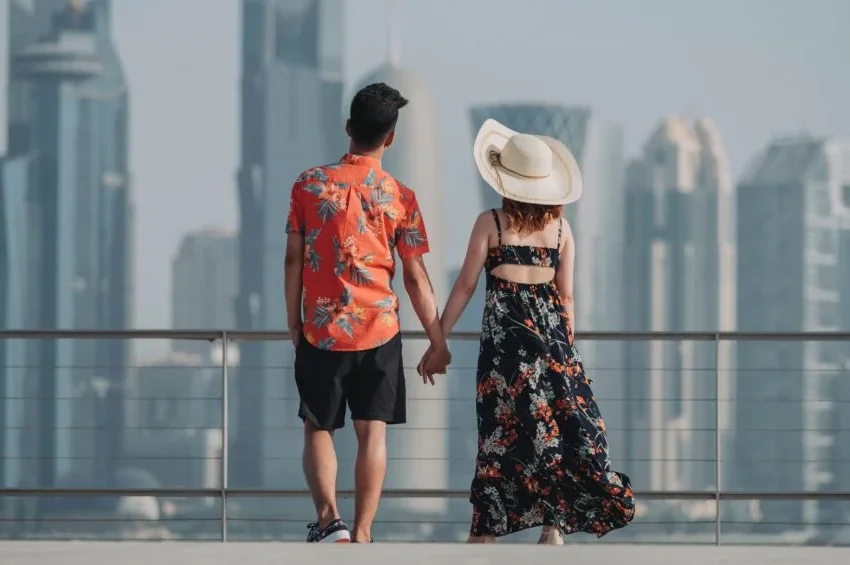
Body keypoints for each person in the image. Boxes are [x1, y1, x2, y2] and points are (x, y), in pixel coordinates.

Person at [419, 119, 634, 544]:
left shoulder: (491, 223)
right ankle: (553, 525)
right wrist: (568, 355)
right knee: (553, 432)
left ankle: (485, 531)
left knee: (501, 437)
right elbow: (566, 297)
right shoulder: (561, 230)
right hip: (553, 346)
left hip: (505, 351)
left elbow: (465, 286)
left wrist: (438, 339)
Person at [285, 82, 451, 543]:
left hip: (321, 329)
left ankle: (328, 521)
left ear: (348, 128)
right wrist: (437, 340)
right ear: (391, 138)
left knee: (319, 427)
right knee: (372, 432)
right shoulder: (401, 196)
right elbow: (415, 276)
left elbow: (293, 260)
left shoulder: (308, 184)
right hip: (380, 330)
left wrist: (294, 322)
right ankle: (361, 533)